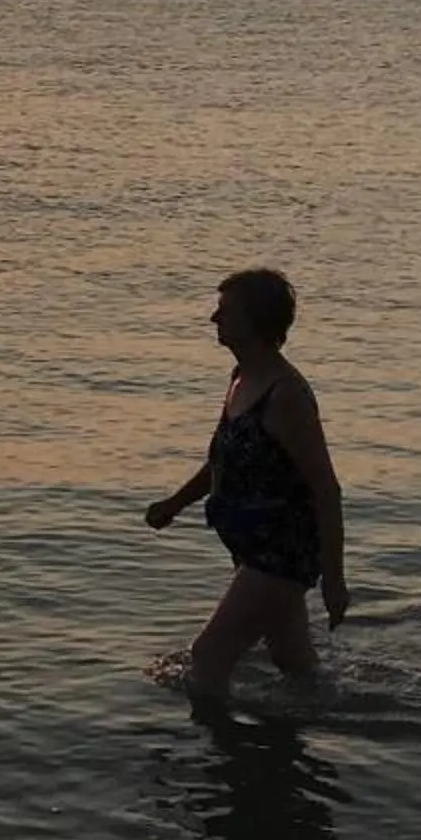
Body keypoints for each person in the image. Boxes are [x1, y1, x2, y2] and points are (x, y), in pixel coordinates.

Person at [146, 269, 348, 689]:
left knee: (208, 656)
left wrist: (334, 579)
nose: (213, 319)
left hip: (282, 553)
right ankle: (309, 737)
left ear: (255, 319)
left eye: (225, 311)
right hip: (251, 546)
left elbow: (326, 489)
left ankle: (220, 748)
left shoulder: (285, 394)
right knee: (293, 662)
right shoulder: (239, 378)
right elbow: (223, 461)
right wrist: (175, 505)